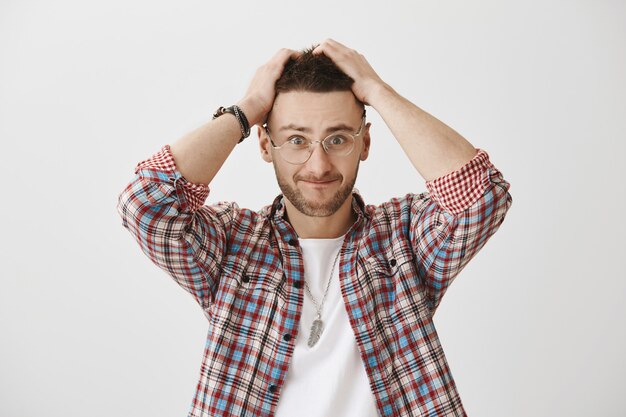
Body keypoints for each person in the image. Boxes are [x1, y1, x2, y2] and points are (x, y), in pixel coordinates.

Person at [117, 39, 512, 417]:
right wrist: (247, 108)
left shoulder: (404, 240)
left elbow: (482, 196)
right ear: (265, 146)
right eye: (296, 140)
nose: (318, 165)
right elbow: (144, 203)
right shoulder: (231, 245)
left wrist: (378, 91)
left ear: (365, 143)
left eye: (337, 138)